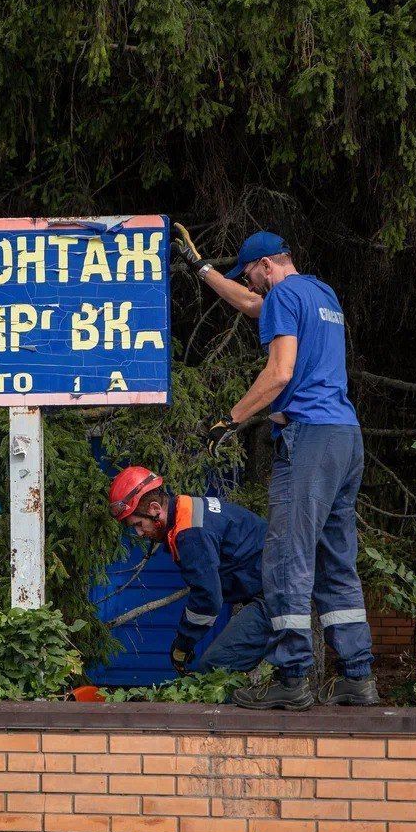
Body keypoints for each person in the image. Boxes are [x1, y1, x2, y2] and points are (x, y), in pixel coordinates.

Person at [174, 229, 377, 710]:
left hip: (308, 440)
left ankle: (291, 678)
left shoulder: (283, 293)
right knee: (336, 561)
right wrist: (201, 268)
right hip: (346, 438)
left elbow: (280, 372)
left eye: (252, 274)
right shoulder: (320, 293)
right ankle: (357, 676)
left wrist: (232, 418)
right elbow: (249, 305)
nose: (254, 285)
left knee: (287, 559)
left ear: (267, 265)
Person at [108, 466, 273, 676]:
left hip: (275, 595)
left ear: (155, 508)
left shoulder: (190, 533)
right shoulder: (187, 509)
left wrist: (182, 645)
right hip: (274, 586)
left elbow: (208, 600)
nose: (139, 533)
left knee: (216, 669)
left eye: (139, 524)